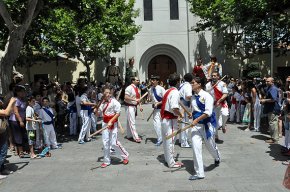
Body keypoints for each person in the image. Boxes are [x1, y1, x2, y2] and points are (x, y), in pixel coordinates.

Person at [189, 76, 220, 180]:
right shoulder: (193, 97)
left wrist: (196, 120)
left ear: (199, 84)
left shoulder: (207, 96)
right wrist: (191, 116)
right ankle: (199, 173)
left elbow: (208, 112)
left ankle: (216, 157)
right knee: (196, 148)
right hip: (196, 126)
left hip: (207, 125)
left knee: (210, 146)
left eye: (193, 83)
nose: (191, 84)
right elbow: (193, 110)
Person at [97, 86, 129, 168]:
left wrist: (111, 121)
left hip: (113, 124)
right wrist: (95, 110)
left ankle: (125, 156)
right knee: (105, 142)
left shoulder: (114, 102)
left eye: (109, 93)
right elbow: (98, 114)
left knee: (114, 143)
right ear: (103, 94)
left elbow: (118, 113)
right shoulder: (102, 103)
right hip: (105, 124)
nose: (107, 94)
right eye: (106, 93)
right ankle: (106, 160)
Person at [160, 73, 184, 168]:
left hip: (164, 119)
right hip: (170, 120)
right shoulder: (175, 92)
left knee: (166, 140)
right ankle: (171, 162)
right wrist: (180, 115)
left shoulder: (167, 91)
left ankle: (168, 159)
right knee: (171, 140)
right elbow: (174, 108)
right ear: (178, 82)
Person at [205, 71, 228, 143]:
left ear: (218, 77)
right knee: (215, 120)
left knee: (225, 114)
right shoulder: (208, 85)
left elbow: (225, 94)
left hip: (222, 103)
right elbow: (206, 95)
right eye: (212, 76)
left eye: (215, 76)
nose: (213, 77)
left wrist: (219, 100)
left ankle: (223, 126)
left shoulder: (222, 84)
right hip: (213, 105)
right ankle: (216, 136)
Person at [0, 97, 16, 180]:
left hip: (2, 131)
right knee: (2, 152)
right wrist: (12, 101)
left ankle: (2, 169)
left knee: (3, 150)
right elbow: (6, 112)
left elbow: (9, 112)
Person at [260, 77, 280, 144]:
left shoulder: (273, 88)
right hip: (270, 108)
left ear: (272, 82)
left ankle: (275, 139)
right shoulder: (269, 88)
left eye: (268, 81)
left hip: (273, 109)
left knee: (273, 123)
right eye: (266, 81)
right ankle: (273, 137)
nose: (266, 82)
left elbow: (273, 99)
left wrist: (264, 100)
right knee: (271, 123)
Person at [9, 85, 27, 158]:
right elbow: (16, 112)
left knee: (22, 134)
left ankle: (19, 150)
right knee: (18, 135)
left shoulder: (22, 100)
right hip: (15, 120)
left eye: (24, 91)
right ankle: (20, 151)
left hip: (22, 119)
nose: (23, 93)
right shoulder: (16, 100)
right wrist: (20, 121)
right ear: (17, 92)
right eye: (21, 92)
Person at [124, 77, 142, 143]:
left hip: (134, 106)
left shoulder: (138, 89)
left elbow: (138, 99)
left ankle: (129, 135)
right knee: (132, 122)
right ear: (133, 81)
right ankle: (136, 137)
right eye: (137, 80)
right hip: (129, 106)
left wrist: (140, 106)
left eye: (138, 80)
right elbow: (126, 97)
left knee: (130, 121)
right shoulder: (129, 88)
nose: (138, 81)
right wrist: (134, 100)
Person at [149, 75, 165, 146]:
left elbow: (165, 99)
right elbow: (151, 99)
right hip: (155, 110)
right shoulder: (150, 89)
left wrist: (158, 103)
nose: (152, 81)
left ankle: (165, 137)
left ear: (157, 81)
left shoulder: (161, 89)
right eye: (151, 80)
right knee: (156, 124)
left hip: (162, 109)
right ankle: (159, 138)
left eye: (154, 80)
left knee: (163, 124)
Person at [178, 73, 193, 148]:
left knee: (182, 124)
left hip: (181, 105)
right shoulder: (188, 86)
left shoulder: (182, 85)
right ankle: (184, 142)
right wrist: (194, 99)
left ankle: (181, 140)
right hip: (185, 106)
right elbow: (188, 96)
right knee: (185, 124)